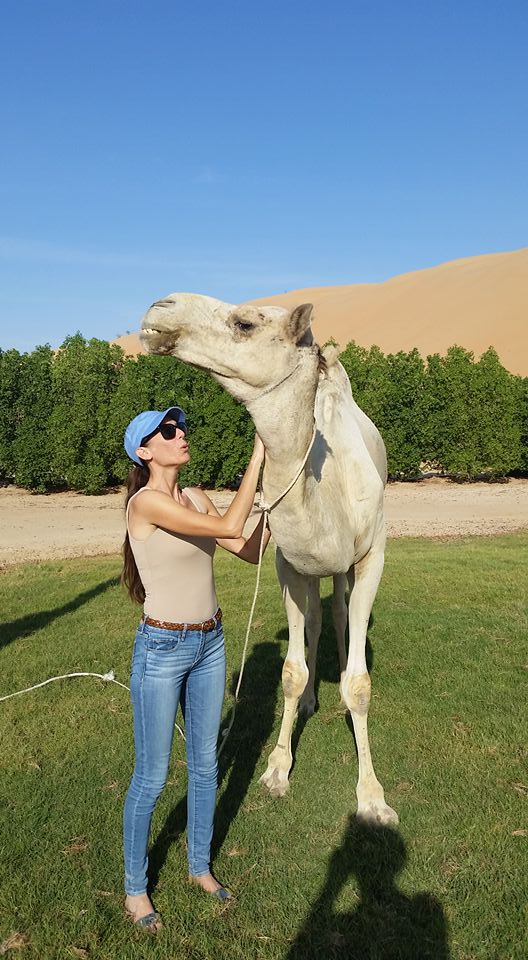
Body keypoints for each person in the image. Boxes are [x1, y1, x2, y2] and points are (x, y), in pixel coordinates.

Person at [121, 405, 270, 931]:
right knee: (153, 776)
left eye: (182, 426)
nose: (180, 433)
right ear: (145, 450)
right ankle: (137, 890)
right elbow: (230, 522)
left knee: (206, 764)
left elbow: (246, 548)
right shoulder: (147, 503)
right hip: (162, 649)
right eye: (167, 430)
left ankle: (199, 867)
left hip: (210, 642)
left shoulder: (195, 497)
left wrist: (273, 508)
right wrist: (258, 455)